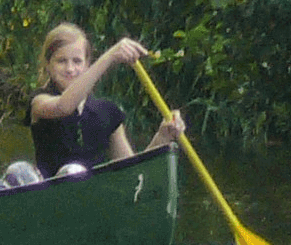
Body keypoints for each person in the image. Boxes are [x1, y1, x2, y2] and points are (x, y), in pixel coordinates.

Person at [26, 24, 183, 179]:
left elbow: (132, 171)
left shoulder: (107, 111)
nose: (70, 69)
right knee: (71, 171)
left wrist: (162, 137)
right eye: (61, 61)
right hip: (54, 196)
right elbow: (63, 106)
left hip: (94, 195)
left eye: (77, 61)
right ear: (48, 65)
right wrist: (110, 56)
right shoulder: (39, 102)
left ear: (87, 64)